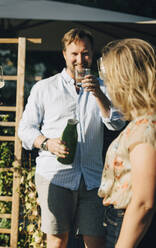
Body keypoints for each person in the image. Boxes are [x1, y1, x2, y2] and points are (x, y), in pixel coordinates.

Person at [18, 28, 125, 248]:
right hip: (55, 177)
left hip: (93, 178)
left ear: (92, 54)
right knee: (58, 241)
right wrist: (47, 143)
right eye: (74, 54)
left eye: (85, 53)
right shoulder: (44, 88)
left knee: (95, 241)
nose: (80, 59)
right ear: (65, 54)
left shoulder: (104, 87)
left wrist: (98, 95)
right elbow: (25, 130)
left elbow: (116, 123)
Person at [97, 38, 156, 248]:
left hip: (131, 227)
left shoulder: (144, 127)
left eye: (109, 80)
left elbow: (142, 202)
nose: (108, 87)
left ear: (125, 80)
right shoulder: (142, 120)